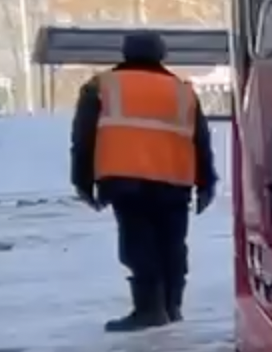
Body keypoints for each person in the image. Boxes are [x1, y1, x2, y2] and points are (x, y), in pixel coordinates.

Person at [69, 31, 219, 331]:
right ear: (161, 54)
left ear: (125, 53)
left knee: (139, 244)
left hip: (126, 177)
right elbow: (200, 140)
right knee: (172, 243)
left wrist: (82, 181)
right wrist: (207, 182)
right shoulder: (182, 90)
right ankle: (171, 306)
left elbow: (83, 137)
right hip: (175, 179)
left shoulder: (101, 86)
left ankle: (150, 309)